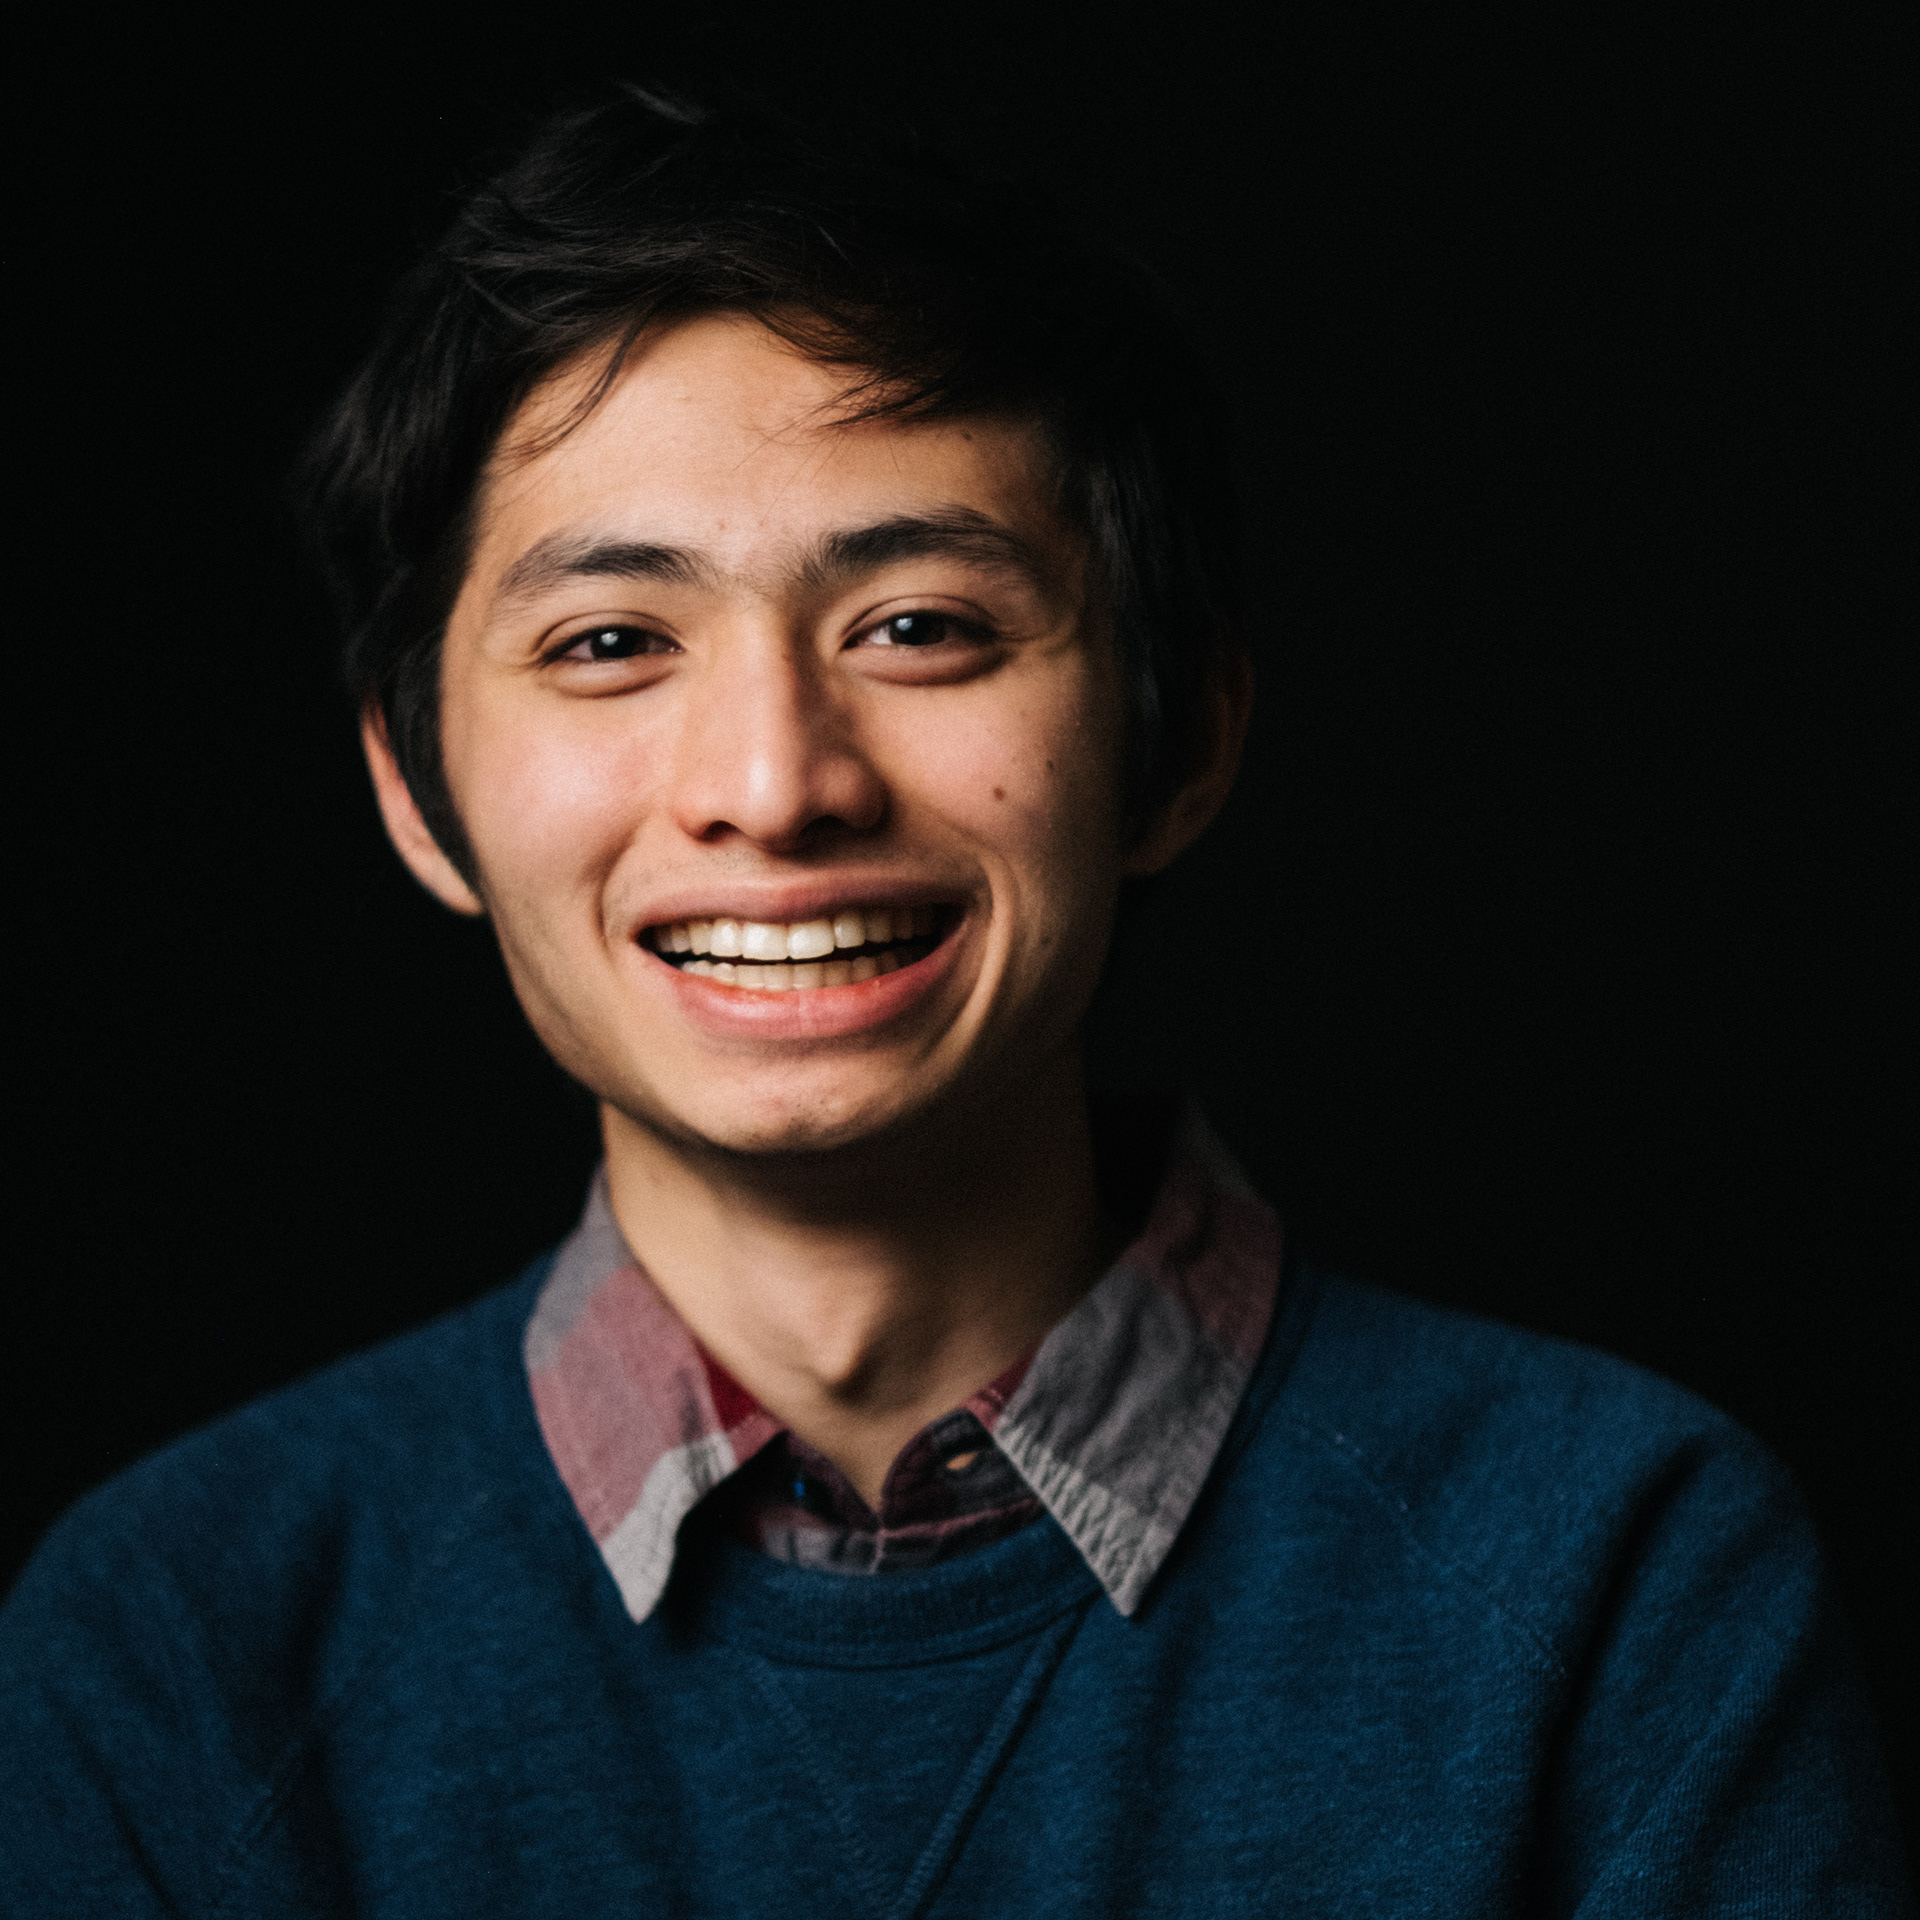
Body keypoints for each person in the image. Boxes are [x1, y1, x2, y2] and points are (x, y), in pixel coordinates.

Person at [0, 85, 1907, 1918]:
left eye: (920, 626)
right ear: (418, 791)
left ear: (1181, 739)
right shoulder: (178, 1644)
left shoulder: (1616, 1575)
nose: (775, 783)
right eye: (612, 641)